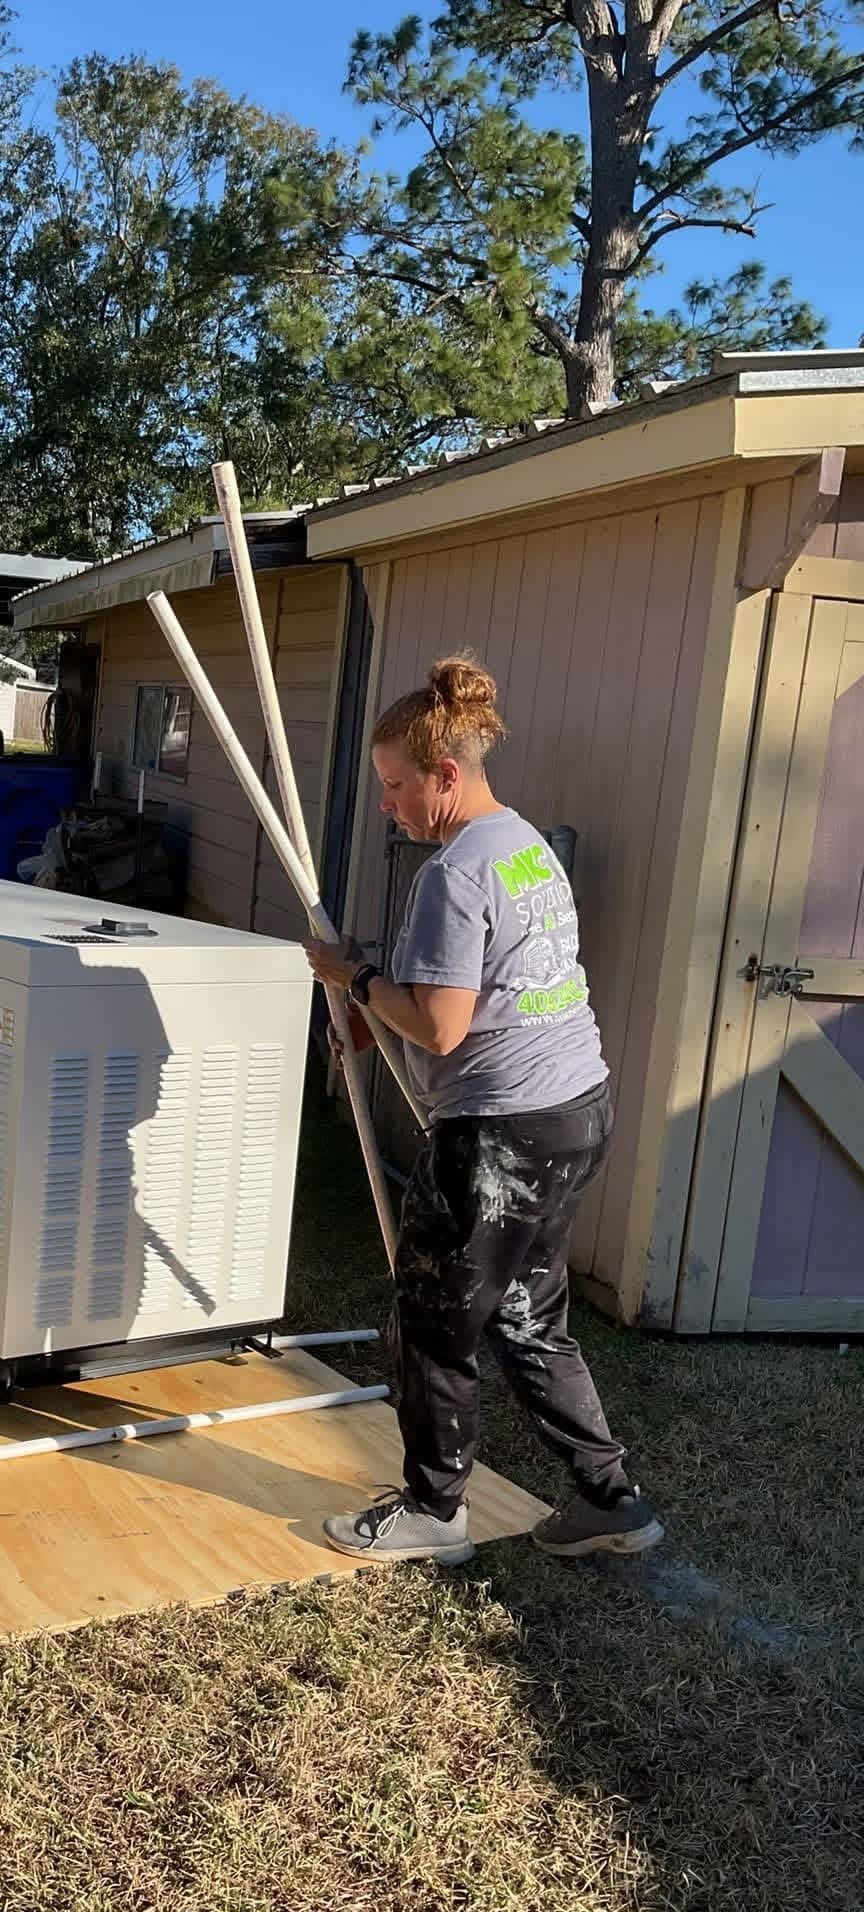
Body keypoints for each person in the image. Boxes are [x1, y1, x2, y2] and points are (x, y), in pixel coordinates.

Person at [304, 653, 662, 1567]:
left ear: (445, 775)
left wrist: (356, 975)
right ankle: (608, 1502)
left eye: (395, 786)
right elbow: (486, 992)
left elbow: (443, 1022)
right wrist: (375, 1006)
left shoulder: (454, 874)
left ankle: (434, 1510)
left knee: (430, 1319)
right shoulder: (524, 846)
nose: (389, 806)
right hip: (574, 1109)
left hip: (501, 1134)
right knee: (530, 1318)